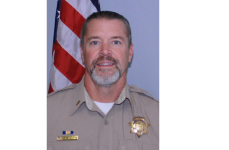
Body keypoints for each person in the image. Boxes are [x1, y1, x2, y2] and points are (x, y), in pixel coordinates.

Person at [47, 11, 159, 150]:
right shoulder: (48, 113)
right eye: (95, 42)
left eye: (116, 42)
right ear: (82, 53)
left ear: (130, 53)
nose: (105, 51)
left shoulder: (157, 115)